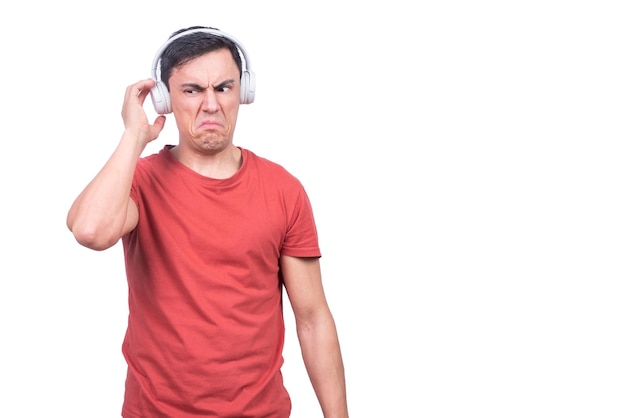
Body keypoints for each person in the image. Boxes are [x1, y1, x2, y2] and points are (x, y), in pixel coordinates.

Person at [66, 26, 349, 418]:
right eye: (192, 90)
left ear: (242, 94)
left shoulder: (284, 190)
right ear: (164, 98)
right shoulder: (139, 182)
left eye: (224, 88)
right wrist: (134, 135)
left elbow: (314, 318)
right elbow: (90, 230)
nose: (211, 104)